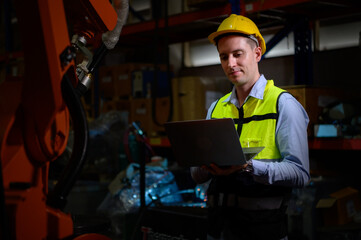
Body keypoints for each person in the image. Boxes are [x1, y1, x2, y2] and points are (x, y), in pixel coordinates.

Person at [190, 14, 310, 240]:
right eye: (224, 57)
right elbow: (196, 175)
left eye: (237, 54)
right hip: (218, 231)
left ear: (257, 54)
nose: (230, 64)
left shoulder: (283, 105)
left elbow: (300, 174)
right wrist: (207, 164)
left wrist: (247, 166)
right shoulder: (216, 108)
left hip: (264, 232)